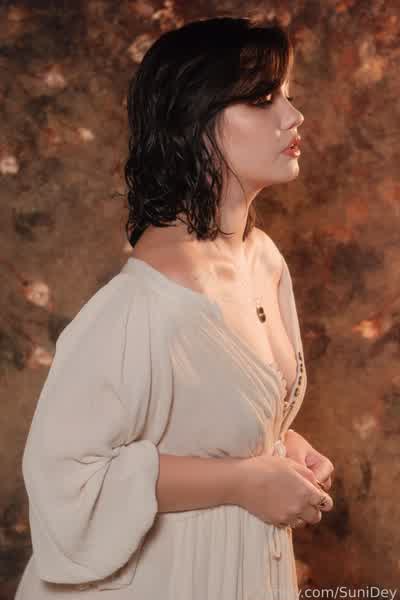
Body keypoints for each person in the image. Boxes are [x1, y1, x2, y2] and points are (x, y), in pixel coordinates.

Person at [15, 15, 335, 600]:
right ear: (195, 121)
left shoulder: (262, 260)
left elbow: (210, 415)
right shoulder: (139, 308)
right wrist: (241, 481)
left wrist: (283, 447)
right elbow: (65, 476)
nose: (293, 117)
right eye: (263, 100)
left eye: (288, 96)